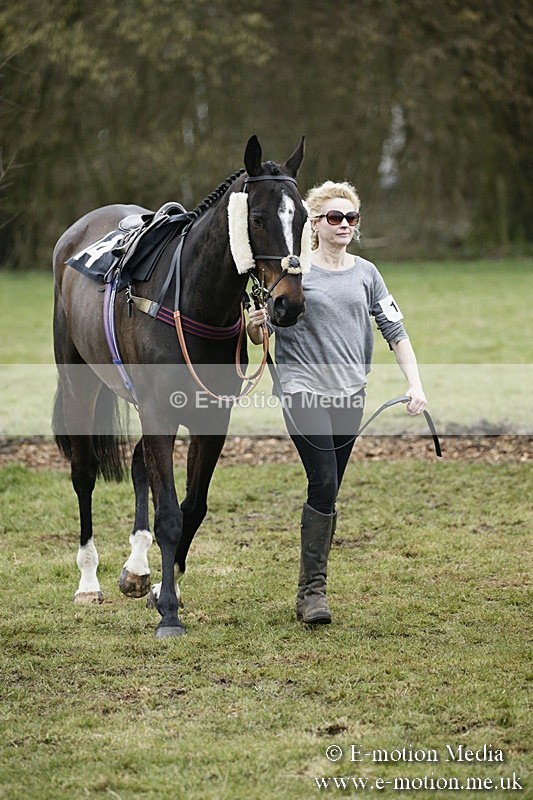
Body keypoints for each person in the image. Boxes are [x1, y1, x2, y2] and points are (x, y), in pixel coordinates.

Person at [247, 180, 427, 625]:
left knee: (328, 492)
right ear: (315, 223)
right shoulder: (294, 273)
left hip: (350, 395)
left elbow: (395, 332)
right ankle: (314, 594)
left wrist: (415, 384)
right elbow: (261, 334)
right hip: (301, 389)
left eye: (351, 218)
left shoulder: (367, 274)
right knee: (324, 482)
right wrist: (255, 325)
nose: (344, 224)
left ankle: (309, 585)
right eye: (334, 217)